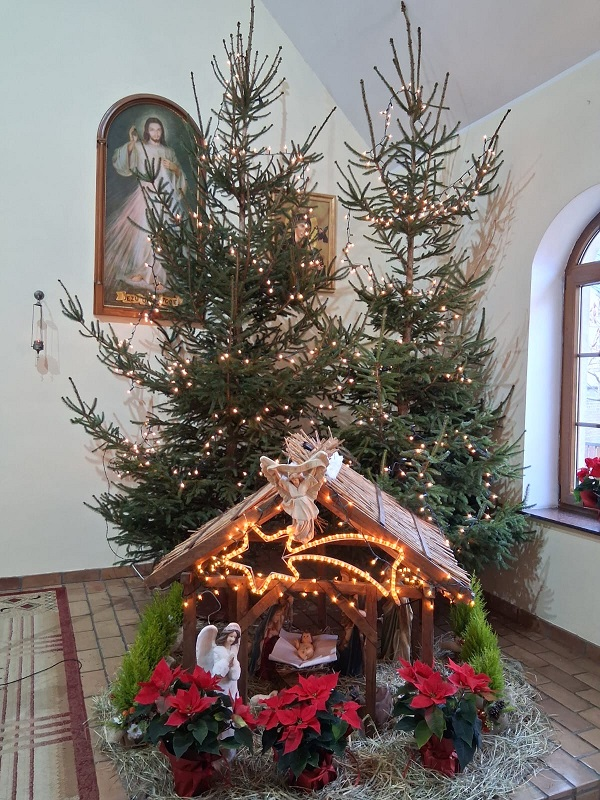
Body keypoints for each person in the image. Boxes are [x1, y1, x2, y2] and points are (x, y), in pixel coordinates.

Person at [105, 116, 187, 295]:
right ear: (147, 131)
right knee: (144, 234)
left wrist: (174, 168)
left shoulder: (168, 151)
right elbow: (123, 163)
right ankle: (143, 270)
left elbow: (180, 177)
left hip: (166, 197)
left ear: (162, 131)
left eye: (158, 130)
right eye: (152, 130)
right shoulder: (140, 147)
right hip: (146, 195)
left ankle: (161, 276)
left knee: (166, 234)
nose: (156, 133)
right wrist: (131, 143)